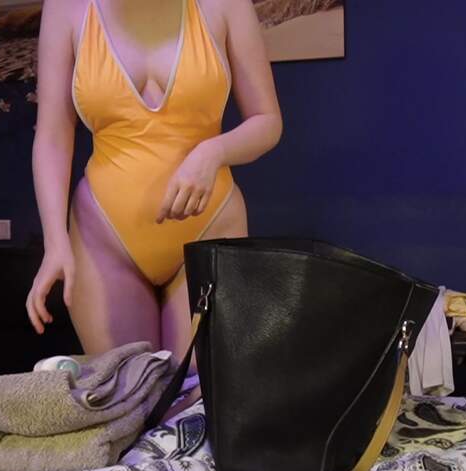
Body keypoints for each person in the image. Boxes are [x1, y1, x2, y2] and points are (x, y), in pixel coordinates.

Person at [26, 0, 282, 414]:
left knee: (195, 407)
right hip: (104, 235)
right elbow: (53, 133)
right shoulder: (65, 8)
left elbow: (268, 120)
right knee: (126, 404)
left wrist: (212, 153)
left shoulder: (226, 5)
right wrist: (54, 242)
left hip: (210, 228)